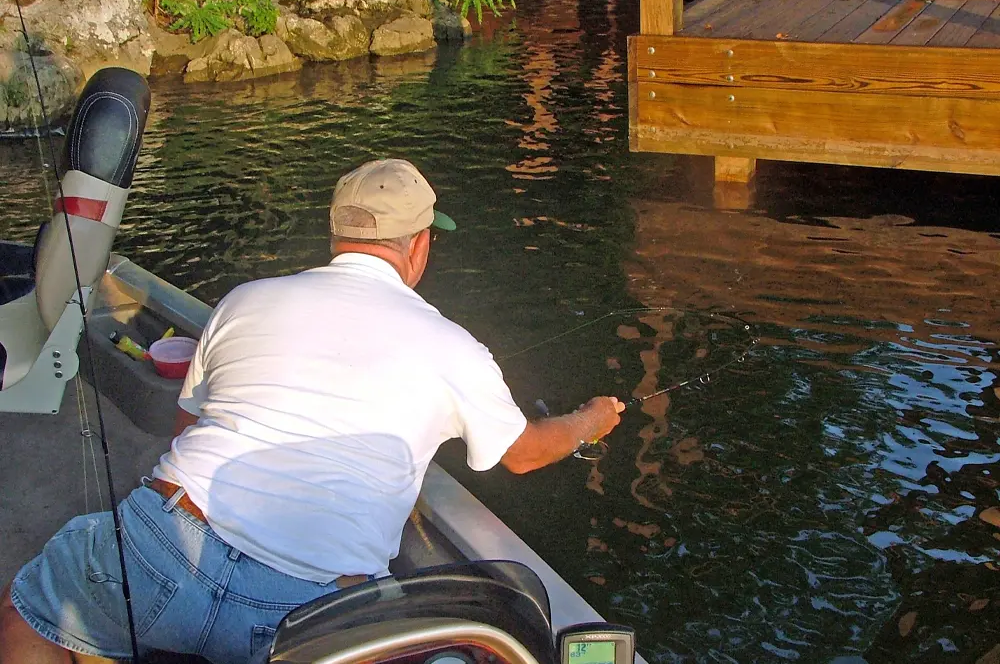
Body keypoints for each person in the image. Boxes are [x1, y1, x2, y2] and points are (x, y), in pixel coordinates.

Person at [0, 158, 625, 664]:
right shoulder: (453, 346)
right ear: (420, 246)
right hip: (309, 613)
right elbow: (525, 453)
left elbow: (186, 426)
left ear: (338, 235)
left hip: (168, 542)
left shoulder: (245, 300)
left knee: (30, 611)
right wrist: (592, 418)